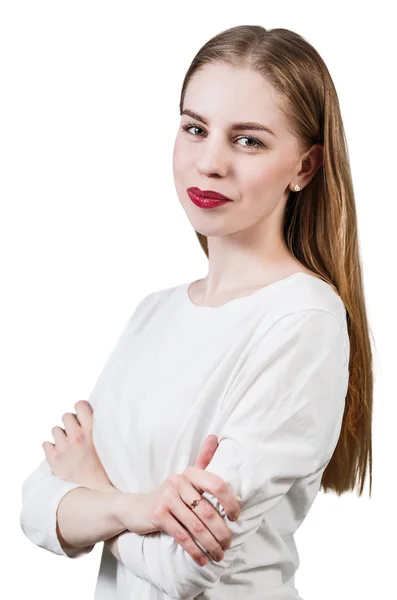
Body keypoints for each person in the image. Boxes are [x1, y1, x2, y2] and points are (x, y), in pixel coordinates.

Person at [20, 25, 373, 599]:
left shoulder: (303, 319)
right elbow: (37, 508)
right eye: (194, 128)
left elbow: (187, 567)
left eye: (248, 140)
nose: (209, 163)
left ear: (304, 168)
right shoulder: (153, 314)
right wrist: (137, 507)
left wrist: (94, 491)